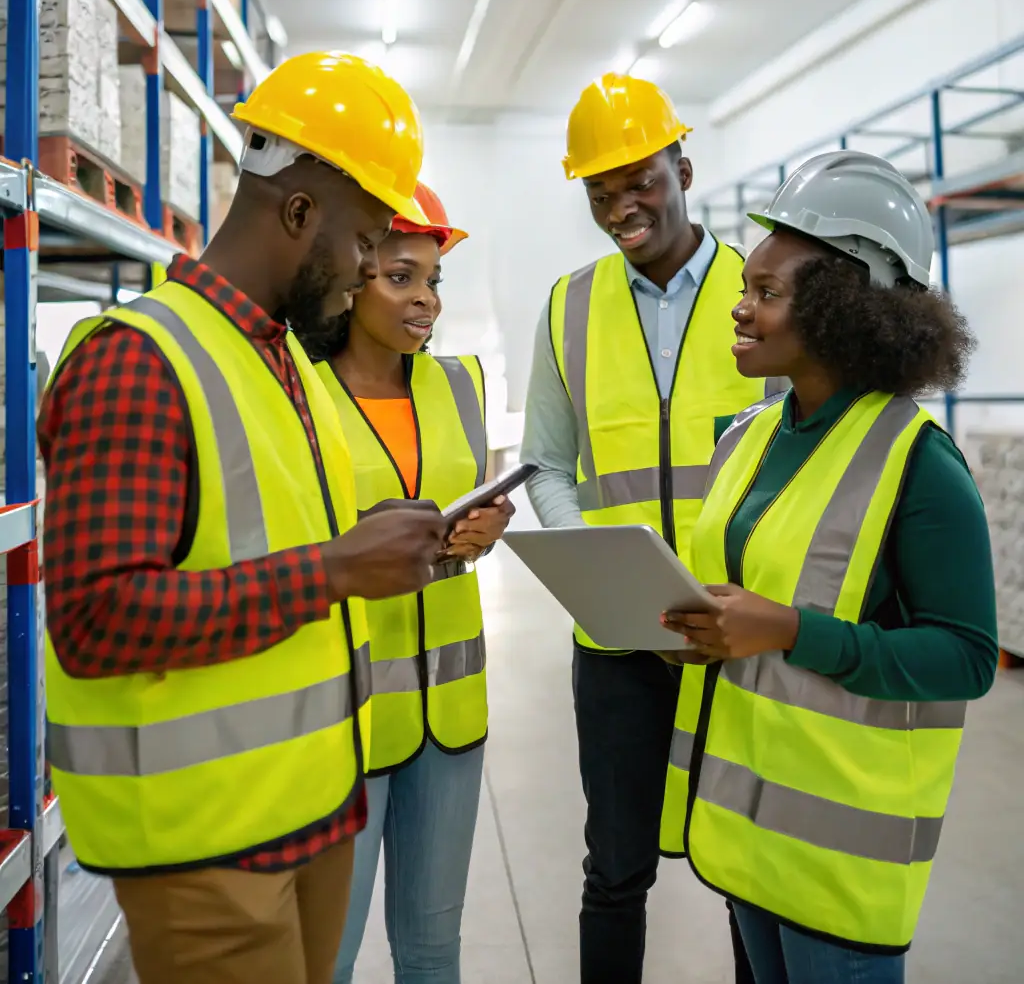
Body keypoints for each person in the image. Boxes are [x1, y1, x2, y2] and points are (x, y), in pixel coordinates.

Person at [40, 53, 450, 984]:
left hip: (310, 808)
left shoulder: (285, 360)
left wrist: (373, 537)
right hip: (206, 849)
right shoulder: (138, 361)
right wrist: (338, 571)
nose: (365, 272)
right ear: (299, 213)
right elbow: (97, 618)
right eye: (363, 242)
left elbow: (269, 534)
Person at [658, 149, 998, 984]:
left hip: (842, 856)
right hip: (749, 826)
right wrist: (701, 633)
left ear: (849, 312)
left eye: (767, 294)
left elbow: (968, 655)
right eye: (749, 285)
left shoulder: (920, 464)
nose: (739, 308)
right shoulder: (747, 438)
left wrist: (789, 630)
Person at [521, 72, 771, 984]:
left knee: (753, 870)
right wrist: (599, 580)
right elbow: (548, 462)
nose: (620, 202)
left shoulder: (764, 289)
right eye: (599, 188)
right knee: (615, 868)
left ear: (683, 166)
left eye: (639, 178)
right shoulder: (568, 306)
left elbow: (807, 459)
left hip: (743, 635)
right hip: (622, 643)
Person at [296, 182, 513, 984]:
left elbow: (465, 512)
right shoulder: (302, 392)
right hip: (345, 720)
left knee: (431, 950)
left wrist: (484, 532)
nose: (425, 300)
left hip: (451, 716)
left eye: (433, 280)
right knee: (331, 956)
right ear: (353, 277)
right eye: (401, 276)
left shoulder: (460, 384)